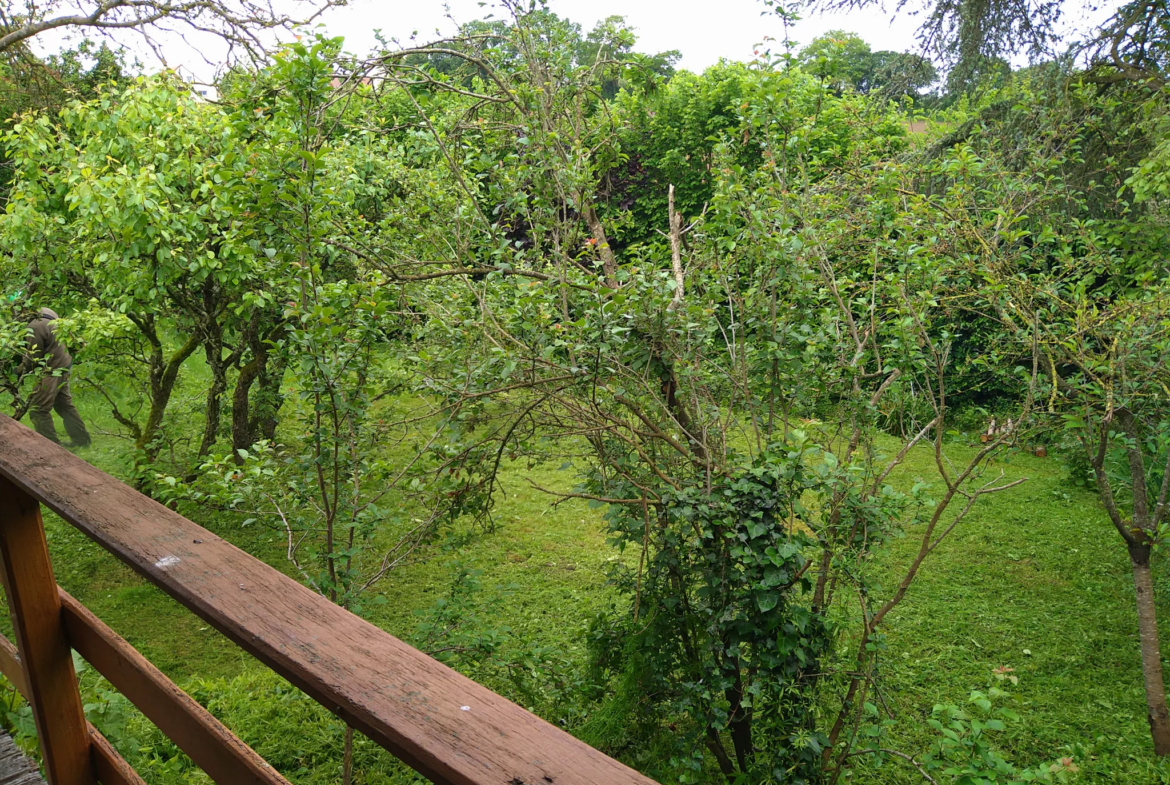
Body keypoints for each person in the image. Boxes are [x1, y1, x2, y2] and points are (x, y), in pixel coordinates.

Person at [22, 308, 91, 447]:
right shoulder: (48, 312)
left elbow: (33, 358)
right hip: (65, 364)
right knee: (64, 405)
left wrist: (18, 371)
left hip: (52, 370)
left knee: (38, 410)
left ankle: (50, 447)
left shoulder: (34, 327)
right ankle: (82, 441)